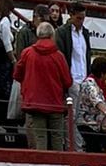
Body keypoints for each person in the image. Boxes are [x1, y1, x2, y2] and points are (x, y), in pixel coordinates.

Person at [14, 22, 73, 150]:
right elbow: (68, 81)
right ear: (52, 35)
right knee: (57, 137)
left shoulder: (27, 53)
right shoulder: (59, 56)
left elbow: (17, 75)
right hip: (55, 103)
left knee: (39, 138)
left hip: (34, 103)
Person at [73, 55, 106, 153]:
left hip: (97, 125)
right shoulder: (90, 84)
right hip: (88, 124)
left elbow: (102, 100)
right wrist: (105, 111)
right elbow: (96, 100)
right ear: (102, 73)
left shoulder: (101, 84)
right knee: (94, 150)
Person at [56, 2, 92, 88]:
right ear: (71, 15)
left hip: (84, 80)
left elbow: (86, 56)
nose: (81, 21)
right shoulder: (62, 32)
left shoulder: (85, 33)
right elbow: (61, 57)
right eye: (78, 18)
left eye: (83, 18)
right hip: (71, 80)